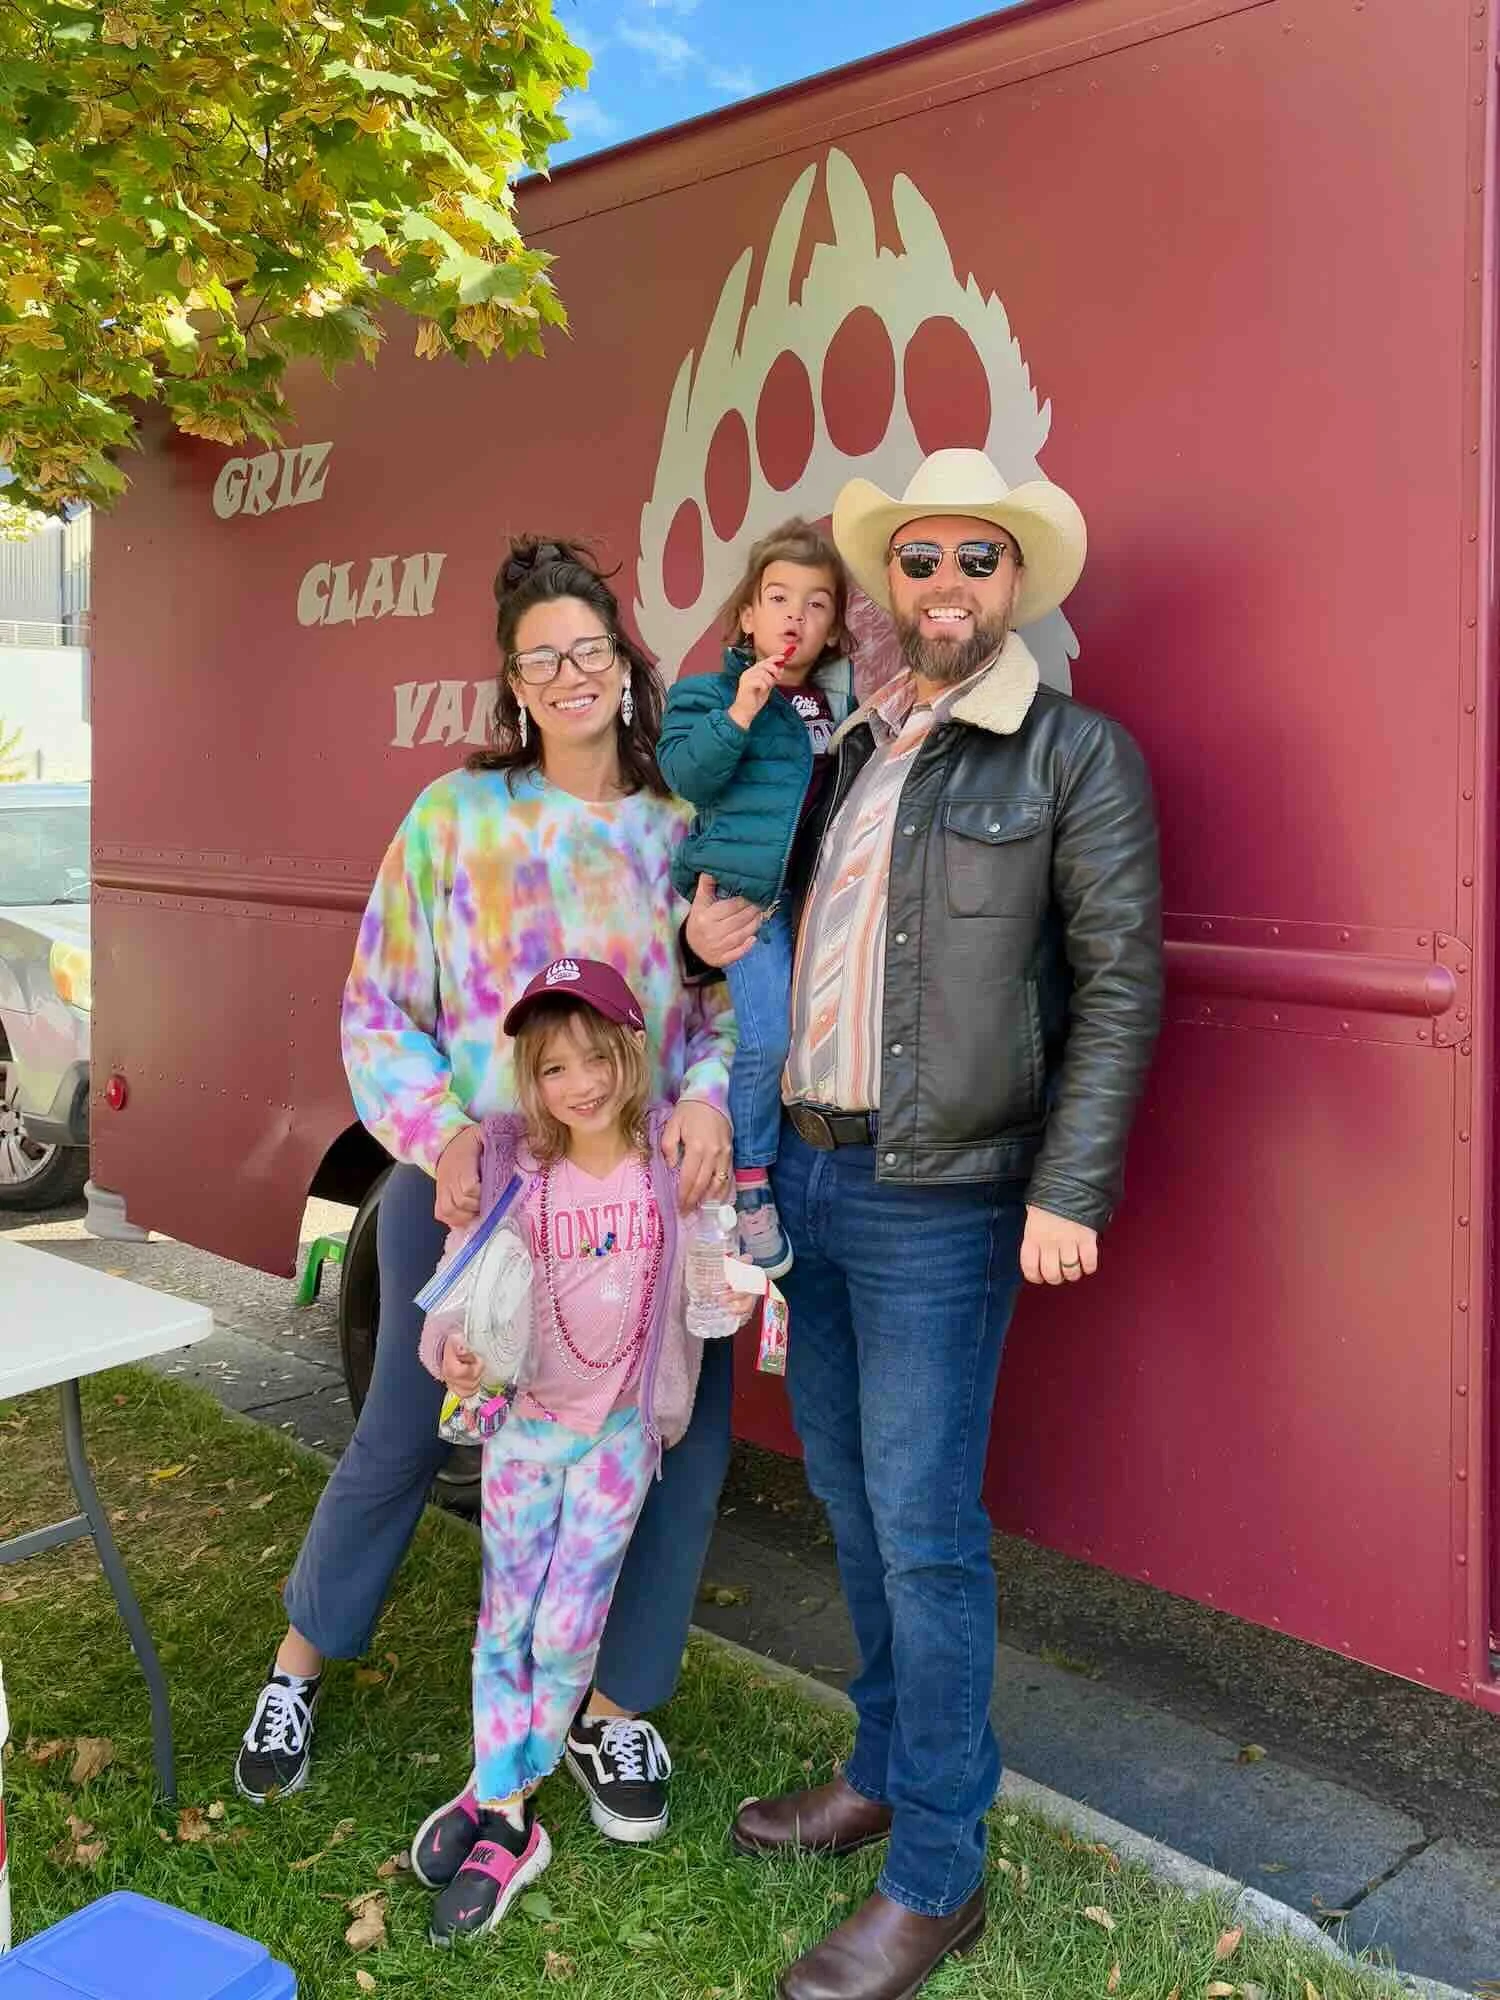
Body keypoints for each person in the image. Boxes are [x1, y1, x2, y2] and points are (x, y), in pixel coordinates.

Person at [724, 449, 1164, 2000]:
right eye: (918, 563)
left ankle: (938, 1874)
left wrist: (1068, 1187)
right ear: (887, 588)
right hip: (816, 1181)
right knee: (849, 1500)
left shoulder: (1073, 756)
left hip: (943, 1202)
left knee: (924, 1531)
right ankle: (882, 1771)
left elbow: (1119, 986)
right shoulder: (846, 746)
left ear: (1018, 583)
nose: (946, 587)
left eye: (978, 560)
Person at [234, 539, 739, 1849]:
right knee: (405, 1430)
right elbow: (378, 1010)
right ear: (514, 685)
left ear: (626, 666)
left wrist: (704, 1099)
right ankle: (298, 1664)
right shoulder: (453, 820)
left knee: (673, 1447)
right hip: (476, 1202)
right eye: (541, 659)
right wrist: (441, 1136)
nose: (571, 675)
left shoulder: (681, 831)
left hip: (640, 1213)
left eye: (590, 650)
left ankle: (614, 1708)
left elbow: (729, 1011)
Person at [409, 958, 716, 1944]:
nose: (578, 1083)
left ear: (631, 1050)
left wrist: (737, 1283)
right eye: (552, 1069)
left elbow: (715, 1275)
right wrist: (449, 1347)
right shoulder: (514, 1169)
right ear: (530, 1083)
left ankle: (508, 1797)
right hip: (523, 1427)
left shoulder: (666, 1166)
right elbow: (458, 1291)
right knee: (505, 1617)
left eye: (595, 1057)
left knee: (564, 1627)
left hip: (618, 1438)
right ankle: (502, 1799)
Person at [658, 520, 857, 1278]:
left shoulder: (842, 710)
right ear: (746, 613)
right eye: (777, 598)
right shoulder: (706, 696)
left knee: (811, 1049)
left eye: (815, 604)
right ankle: (749, 1187)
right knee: (766, 1039)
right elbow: (688, 776)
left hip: (817, 911)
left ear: (833, 626)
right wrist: (741, 710)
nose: (793, 618)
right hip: (748, 905)